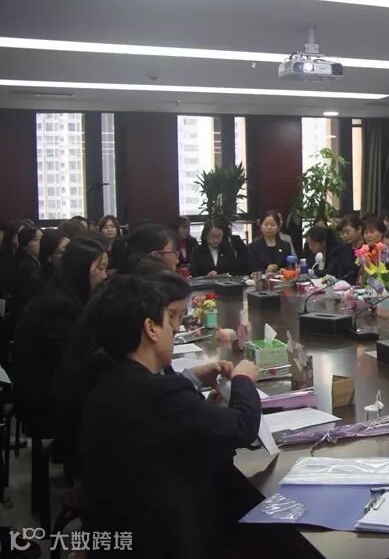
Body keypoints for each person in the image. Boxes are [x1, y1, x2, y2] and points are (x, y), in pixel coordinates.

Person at [79, 274, 261, 558]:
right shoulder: (158, 393)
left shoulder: (108, 377)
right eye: (169, 319)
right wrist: (243, 380)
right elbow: (242, 427)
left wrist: (198, 402)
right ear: (150, 328)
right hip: (162, 540)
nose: (174, 329)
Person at [13, 236, 108, 440]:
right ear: (80, 270)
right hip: (47, 401)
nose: (104, 275)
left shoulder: (67, 295)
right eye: (99, 268)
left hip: (57, 389)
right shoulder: (59, 307)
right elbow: (72, 363)